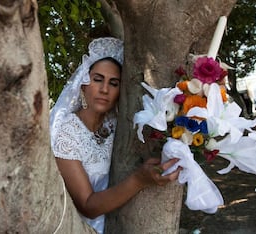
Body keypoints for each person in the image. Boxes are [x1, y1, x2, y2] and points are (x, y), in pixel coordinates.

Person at [49, 37, 180, 234]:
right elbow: (88, 205)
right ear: (84, 84)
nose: (104, 89)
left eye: (114, 83)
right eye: (98, 79)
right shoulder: (66, 132)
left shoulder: (118, 124)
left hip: (127, 221)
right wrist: (139, 180)